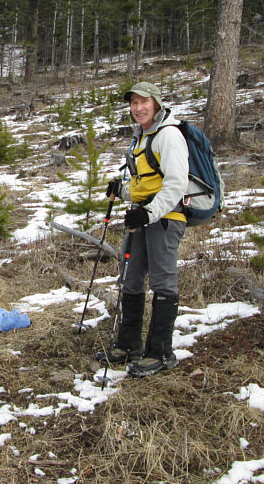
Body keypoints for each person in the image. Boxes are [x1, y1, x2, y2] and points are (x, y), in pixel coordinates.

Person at [99, 81, 188, 378]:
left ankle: (160, 353)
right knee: (130, 277)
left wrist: (148, 214)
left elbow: (176, 184)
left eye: (144, 102)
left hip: (165, 217)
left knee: (162, 282)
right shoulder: (141, 137)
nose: (138, 108)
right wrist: (123, 191)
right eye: (134, 103)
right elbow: (145, 184)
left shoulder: (169, 135)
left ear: (156, 104)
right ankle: (129, 345)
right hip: (142, 216)